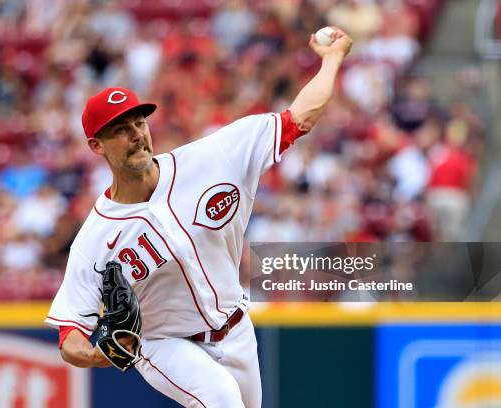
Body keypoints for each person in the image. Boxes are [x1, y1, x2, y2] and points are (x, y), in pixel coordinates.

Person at [45, 28, 353, 408]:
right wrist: (98, 354)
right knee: (220, 399)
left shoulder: (212, 159)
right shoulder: (95, 239)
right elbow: (69, 337)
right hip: (163, 343)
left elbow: (300, 117)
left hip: (237, 327)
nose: (136, 135)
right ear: (97, 145)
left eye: (139, 123)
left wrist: (332, 60)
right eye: (120, 131)